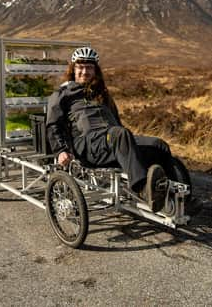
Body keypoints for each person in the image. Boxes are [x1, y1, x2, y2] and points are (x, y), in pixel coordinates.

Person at [45, 47, 175, 213]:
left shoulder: (102, 93)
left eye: (89, 67)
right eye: (80, 67)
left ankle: (177, 196)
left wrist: (128, 145)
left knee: (159, 145)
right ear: (73, 69)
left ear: (95, 70)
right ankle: (143, 190)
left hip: (112, 140)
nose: (85, 72)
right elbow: (53, 124)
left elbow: (116, 121)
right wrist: (60, 151)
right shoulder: (62, 94)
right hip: (88, 146)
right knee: (119, 134)